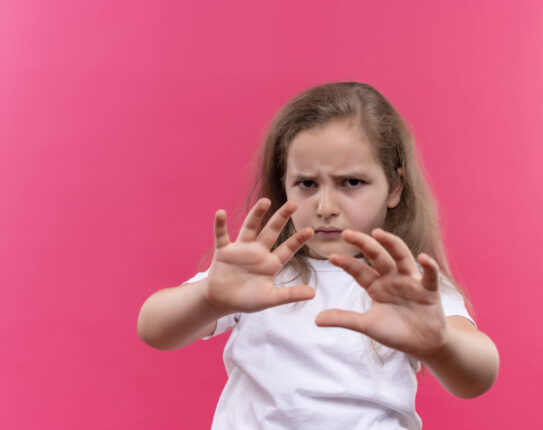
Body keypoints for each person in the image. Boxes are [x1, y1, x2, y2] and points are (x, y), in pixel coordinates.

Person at [137, 82, 500, 429]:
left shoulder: (409, 288)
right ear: (285, 185)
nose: (326, 207)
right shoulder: (262, 272)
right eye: (307, 184)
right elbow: (154, 329)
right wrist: (208, 299)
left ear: (395, 187)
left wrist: (440, 346)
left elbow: (478, 375)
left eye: (351, 183)